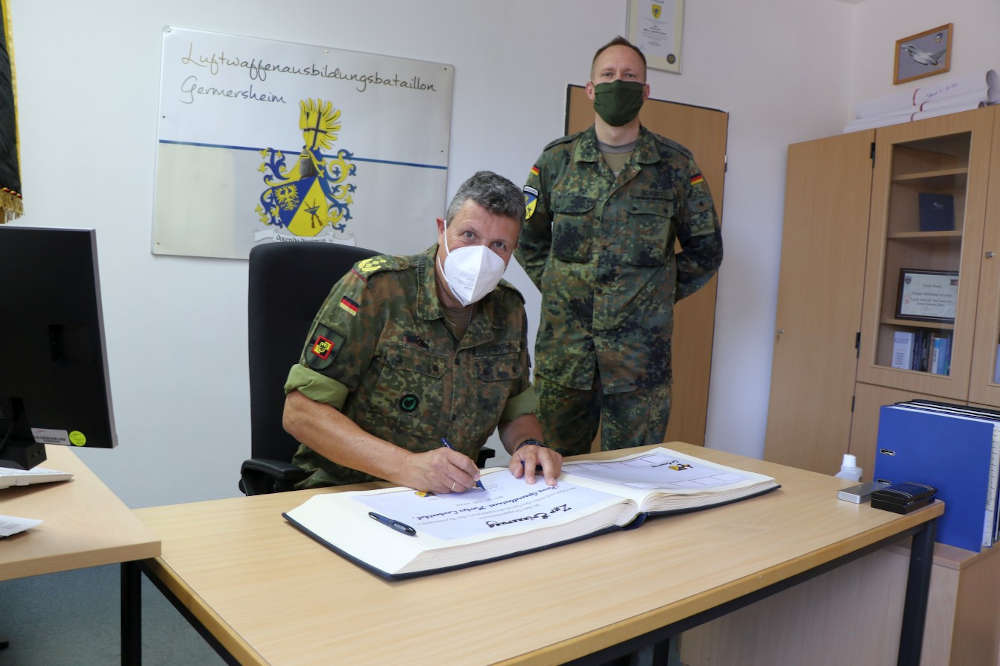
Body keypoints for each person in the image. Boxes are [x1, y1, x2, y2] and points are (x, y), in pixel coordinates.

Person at [283, 170, 562, 492]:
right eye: (468, 235)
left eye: (498, 245)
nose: (481, 255)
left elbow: (515, 406)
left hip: (449, 497)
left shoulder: (508, 308)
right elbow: (300, 412)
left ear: (512, 252)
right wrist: (406, 466)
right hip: (347, 487)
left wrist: (528, 444)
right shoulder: (378, 290)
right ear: (442, 230)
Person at [516, 36, 723, 456]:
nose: (618, 83)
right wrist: (561, 287)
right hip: (565, 356)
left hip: (639, 364)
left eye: (630, 76)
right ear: (590, 89)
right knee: (551, 469)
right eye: (608, 75)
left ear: (646, 91)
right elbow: (526, 238)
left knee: (634, 477)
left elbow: (706, 250)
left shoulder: (675, 166)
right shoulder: (557, 161)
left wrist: (654, 294)